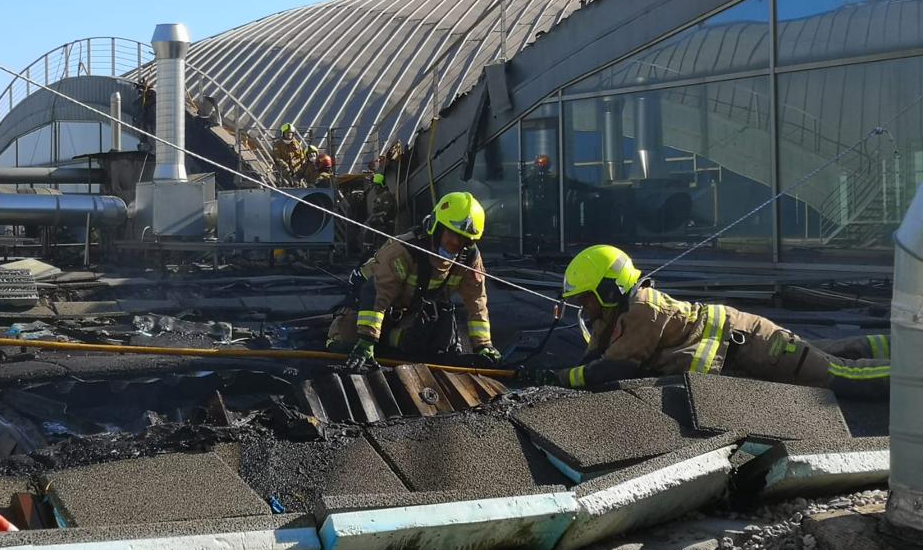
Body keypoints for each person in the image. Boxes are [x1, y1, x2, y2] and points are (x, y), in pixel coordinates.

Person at [519, 245, 889, 398]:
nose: (583, 308)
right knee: (835, 352)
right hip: (743, 346)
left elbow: (614, 368)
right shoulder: (612, 314)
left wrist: (557, 378)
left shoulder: (642, 309)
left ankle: (910, 382)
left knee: (842, 375)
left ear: (608, 289)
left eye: (584, 298)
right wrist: (550, 377)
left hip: (753, 344)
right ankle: (898, 345)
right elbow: (592, 361)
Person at [327, 191, 501, 367]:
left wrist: (483, 345)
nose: (456, 243)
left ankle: (388, 339)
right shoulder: (405, 250)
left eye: (464, 239)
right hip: (366, 305)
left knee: (433, 344)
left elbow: (476, 301)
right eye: (452, 234)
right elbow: (378, 292)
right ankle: (357, 335)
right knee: (346, 344)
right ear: (436, 227)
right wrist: (366, 340)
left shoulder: (469, 258)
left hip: (409, 310)